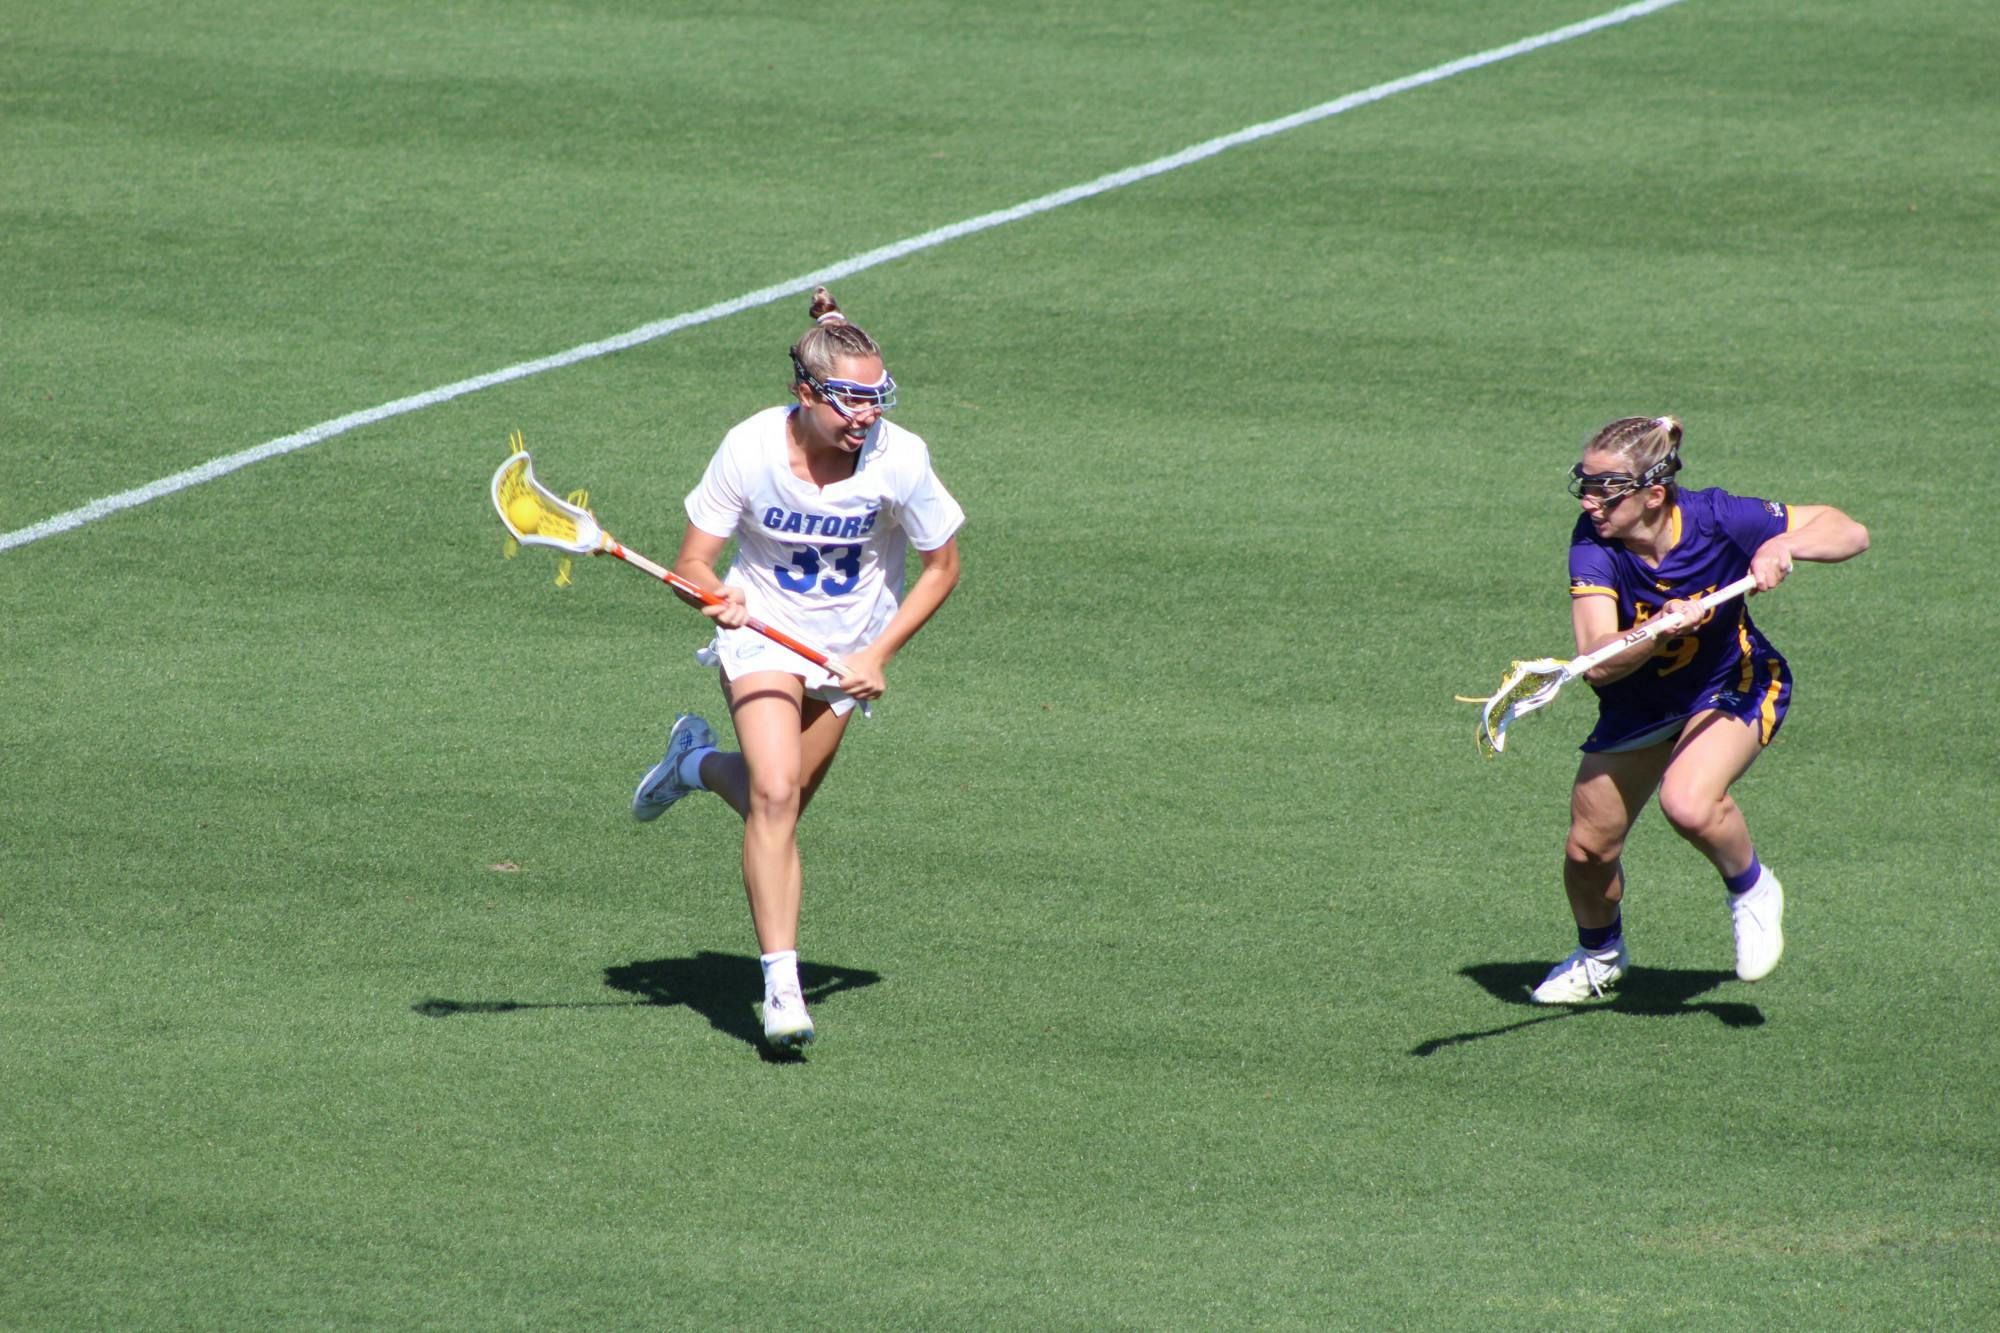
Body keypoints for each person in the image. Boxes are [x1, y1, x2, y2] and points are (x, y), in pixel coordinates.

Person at [630, 287, 964, 1050]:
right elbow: (693, 563)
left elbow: (941, 566)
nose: (865, 416)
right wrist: (712, 597)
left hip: (845, 652)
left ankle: (693, 764)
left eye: (877, 399)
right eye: (849, 401)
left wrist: (877, 654)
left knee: (773, 806)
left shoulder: (899, 458)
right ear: (805, 393)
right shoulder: (748, 448)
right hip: (763, 640)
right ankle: (781, 987)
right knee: (776, 794)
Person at [1530, 415, 1868, 1004]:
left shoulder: (1718, 517)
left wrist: (1782, 544)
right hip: (1639, 703)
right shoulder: (1593, 544)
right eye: (1582, 485)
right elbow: (1599, 660)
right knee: (1588, 851)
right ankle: (1600, 956)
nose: (1588, 502)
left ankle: (1752, 890)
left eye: (1602, 491)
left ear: (1653, 494)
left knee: (1687, 802)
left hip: (1729, 682)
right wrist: (1658, 632)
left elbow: (1848, 531)